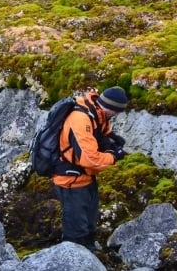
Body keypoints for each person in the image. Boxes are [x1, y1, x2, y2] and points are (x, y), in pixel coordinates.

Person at [52, 86, 129, 250]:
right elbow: (89, 159)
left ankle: (90, 254)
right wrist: (114, 157)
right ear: (112, 108)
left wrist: (111, 143)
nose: (117, 116)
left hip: (86, 178)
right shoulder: (81, 119)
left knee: (89, 227)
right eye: (117, 112)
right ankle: (72, 260)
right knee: (76, 232)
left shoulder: (98, 114)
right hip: (70, 181)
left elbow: (102, 136)